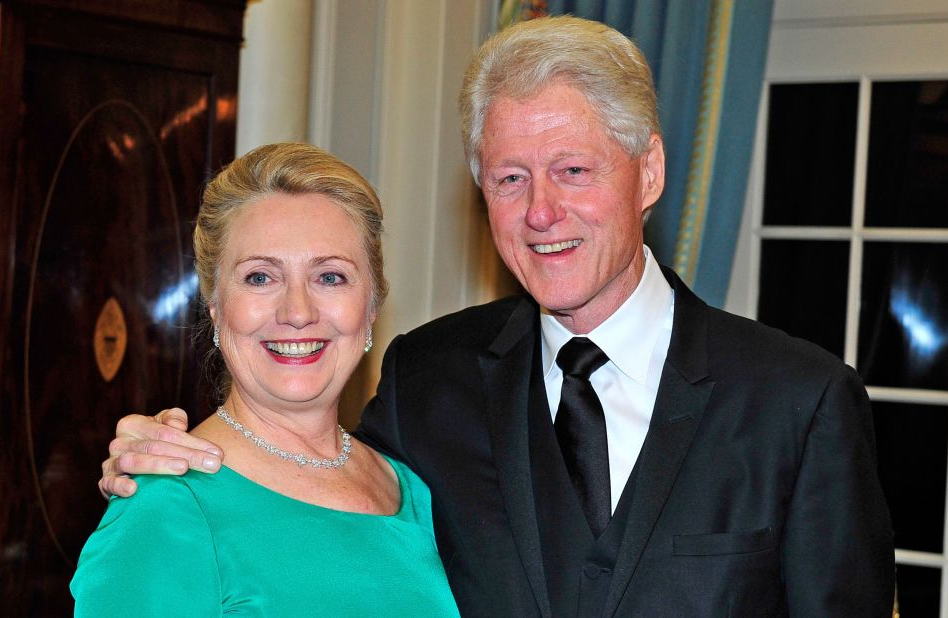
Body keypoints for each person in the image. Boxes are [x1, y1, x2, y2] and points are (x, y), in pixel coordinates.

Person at [99, 16, 895, 617]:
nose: (541, 211)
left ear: (648, 172)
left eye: (573, 170)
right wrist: (151, 450)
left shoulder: (801, 404)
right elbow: (298, 483)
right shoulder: (427, 381)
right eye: (510, 178)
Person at [71, 143, 459, 616]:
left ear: (372, 306)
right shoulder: (165, 507)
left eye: (331, 277)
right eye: (259, 277)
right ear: (215, 306)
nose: (297, 312)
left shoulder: (411, 489)